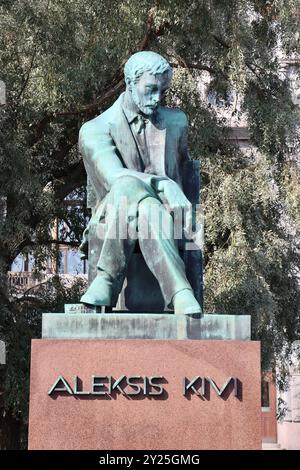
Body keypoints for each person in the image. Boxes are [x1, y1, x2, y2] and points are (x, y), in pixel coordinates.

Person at [79, 51, 202, 316]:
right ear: (130, 83)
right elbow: (114, 177)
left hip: (168, 220)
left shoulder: (176, 123)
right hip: (112, 220)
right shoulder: (95, 129)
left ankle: (106, 279)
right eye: (150, 89)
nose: (157, 98)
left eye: (162, 91)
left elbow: (186, 173)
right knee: (128, 188)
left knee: (148, 209)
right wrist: (162, 184)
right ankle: (180, 291)